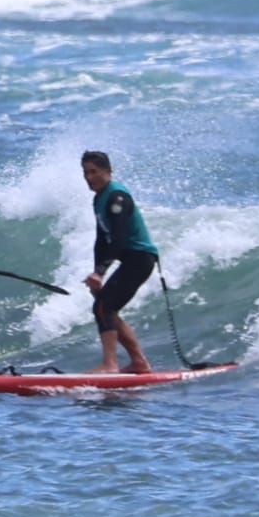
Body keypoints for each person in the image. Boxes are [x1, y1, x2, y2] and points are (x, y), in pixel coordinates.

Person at [81, 149, 157, 374]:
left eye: (94, 172)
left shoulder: (117, 197)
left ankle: (110, 364)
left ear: (108, 171)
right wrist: (98, 273)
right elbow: (102, 239)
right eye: (85, 172)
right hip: (131, 259)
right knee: (107, 308)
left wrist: (101, 272)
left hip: (140, 258)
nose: (89, 177)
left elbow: (120, 239)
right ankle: (139, 362)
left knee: (104, 306)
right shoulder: (99, 199)